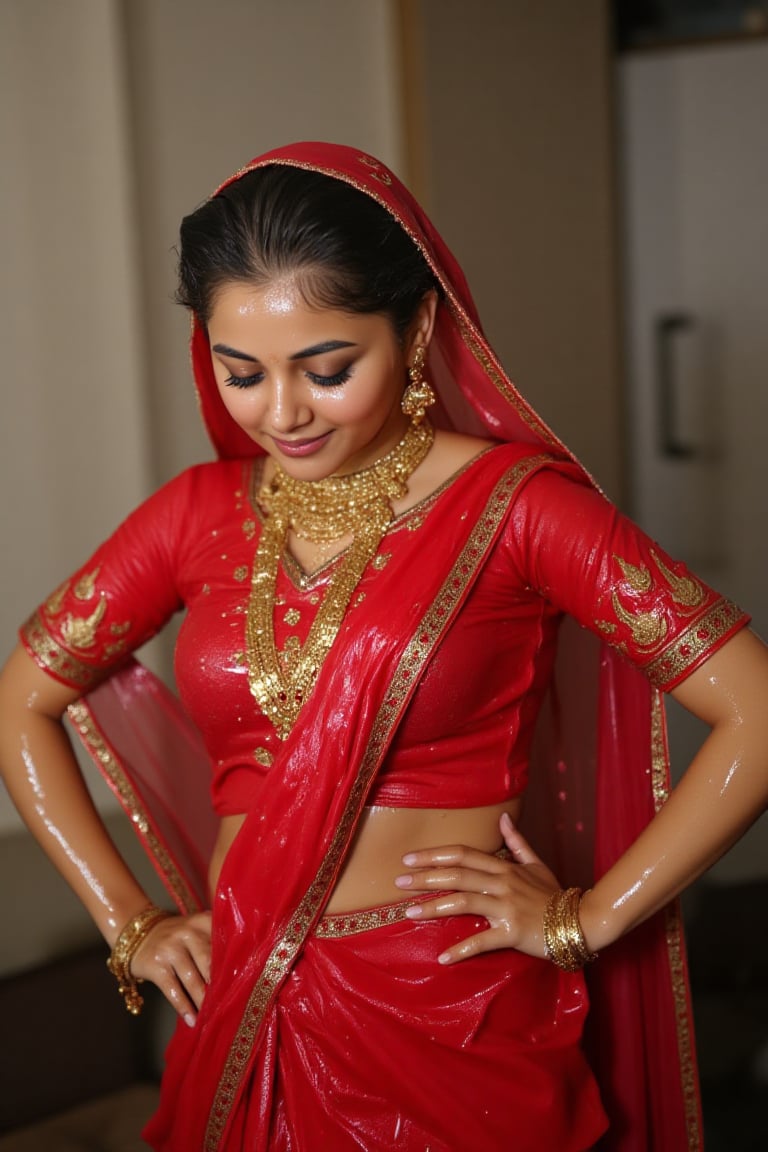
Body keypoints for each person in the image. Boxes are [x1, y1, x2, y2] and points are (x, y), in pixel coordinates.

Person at [0, 141, 766, 1152]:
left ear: (414, 332)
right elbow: (26, 699)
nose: (281, 412)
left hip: (450, 1011)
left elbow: (754, 710)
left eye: (326, 369)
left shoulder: (519, 511)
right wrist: (129, 922)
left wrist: (588, 918)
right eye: (242, 372)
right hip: (246, 995)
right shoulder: (195, 515)